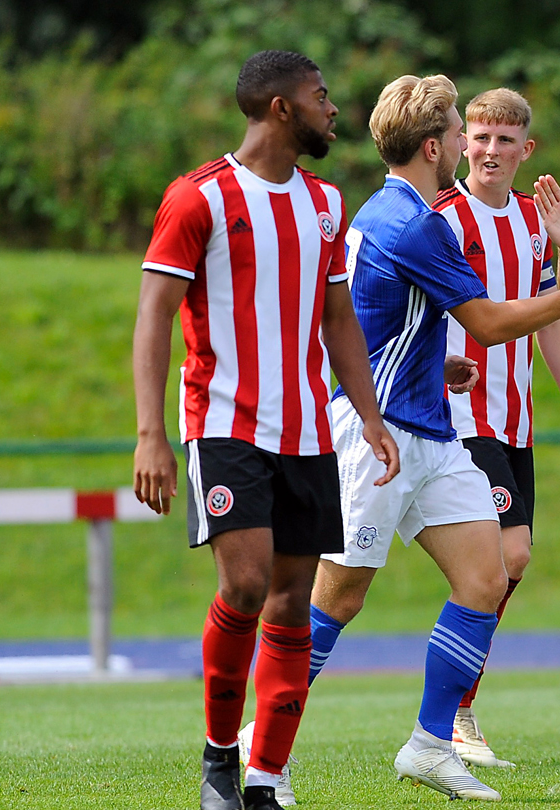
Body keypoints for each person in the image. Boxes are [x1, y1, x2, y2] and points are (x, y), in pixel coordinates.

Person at [298, 74, 560, 801]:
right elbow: (489, 321)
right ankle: (256, 737)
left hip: (429, 430)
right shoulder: (417, 221)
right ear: (435, 146)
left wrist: (437, 360)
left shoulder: (408, 210)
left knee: (487, 578)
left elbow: (386, 318)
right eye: (462, 131)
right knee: (338, 597)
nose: (469, 142)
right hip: (380, 437)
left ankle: (432, 744)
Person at [131, 50, 400, 810]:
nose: (333, 109)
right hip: (223, 425)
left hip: (309, 431)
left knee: (291, 599)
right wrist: (152, 434)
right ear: (282, 109)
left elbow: (339, 319)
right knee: (245, 585)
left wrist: (370, 417)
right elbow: (153, 318)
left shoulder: (325, 202)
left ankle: (265, 778)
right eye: (321, 97)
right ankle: (221, 753)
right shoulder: (198, 199)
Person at [431, 87, 560, 769]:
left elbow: (559, 314)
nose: (491, 150)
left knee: (506, 566)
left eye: (506, 140)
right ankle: (453, 713)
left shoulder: (535, 221)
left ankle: (454, 709)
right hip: (455, 416)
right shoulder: (442, 217)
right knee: (509, 559)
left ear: (526, 149)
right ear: (459, 141)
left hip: (514, 419)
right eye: (479, 137)